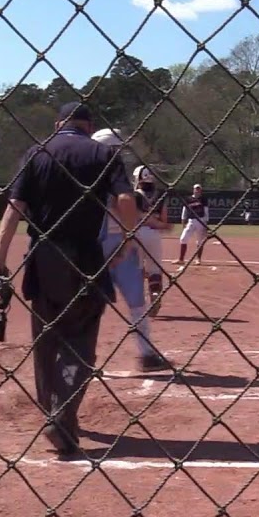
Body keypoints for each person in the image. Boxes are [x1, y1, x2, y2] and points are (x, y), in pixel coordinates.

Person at [0, 102, 167, 456]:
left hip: (43, 256)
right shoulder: (102, 153)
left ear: (59, 124)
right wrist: (129, 238)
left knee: (46, 338)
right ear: (89, 125)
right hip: (85, 257)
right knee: (81, 338)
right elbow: (127, 199)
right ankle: (62, 413)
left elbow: (14, 208)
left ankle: (53, 413)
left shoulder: (36, 152)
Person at [91, 130, 168, 363]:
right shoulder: (108, 176)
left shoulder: (91, 176)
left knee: (97, 303)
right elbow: (125, 206)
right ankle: (145, 353)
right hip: (113, 245)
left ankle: (84, 353)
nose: (119, 154)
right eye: (116, 149)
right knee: (133, 300)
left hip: (102, 245)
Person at [132, 164, 171, 314]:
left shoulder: (134, 195)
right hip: (154, 234)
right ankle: (155, 294)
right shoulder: (161, 194)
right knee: (154, 269)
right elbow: (164, 218)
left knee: (136, 268)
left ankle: (138, 302)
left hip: (137, 232)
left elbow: (130, 216)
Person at [176, 183, 209, 266]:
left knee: (200, 241)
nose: (197, 191)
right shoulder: (188, 199)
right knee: (183, 238)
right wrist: (183, 220)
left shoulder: (203, 199)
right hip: (191, 221)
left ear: (201, 190)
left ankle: (198, 259)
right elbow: (185, 210)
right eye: (196, 189)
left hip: (201, 221)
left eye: (198, 189)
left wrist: (205, 223)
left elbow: (206, 212)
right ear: (193, 190)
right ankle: (181, 259)